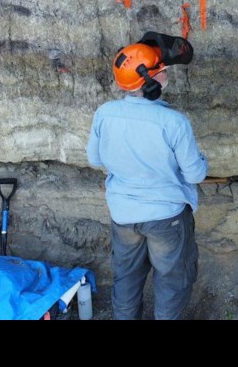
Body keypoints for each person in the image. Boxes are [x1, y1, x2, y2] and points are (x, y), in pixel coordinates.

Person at [86, 32, 208, 320]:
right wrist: (200, 161)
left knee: (126, 279)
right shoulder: (174, 122)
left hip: (124, 215)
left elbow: (95, 159)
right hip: (166, 217)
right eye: (162, 69)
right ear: (152, 81)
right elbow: (195, 174)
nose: (166, 72)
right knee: (170, 283)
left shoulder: (104, 114)